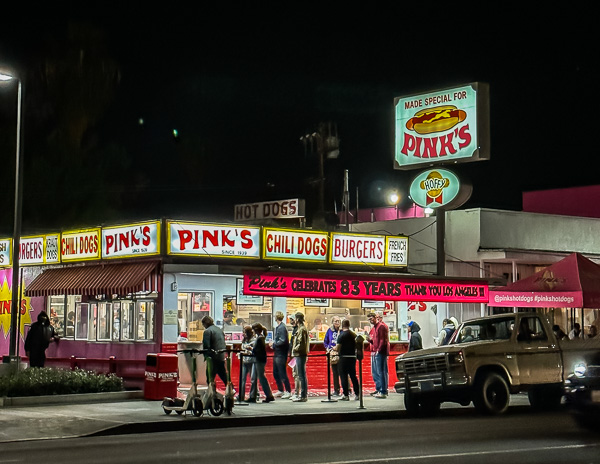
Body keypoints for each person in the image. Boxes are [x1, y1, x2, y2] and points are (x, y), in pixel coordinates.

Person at [336, 319, 361, 401]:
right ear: (349, 325)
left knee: (343, 376)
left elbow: (337, 348)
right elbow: (358, 345)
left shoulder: (341, 335)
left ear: (342, 326)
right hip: (352, 357)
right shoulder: (354, 335)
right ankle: (357, 394)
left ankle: (346, 395)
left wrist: (333, 348)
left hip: (343, 357)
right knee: (353, 376)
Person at [367, 312, 390, 399]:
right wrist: (370, 341)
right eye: (369, 319)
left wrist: (378, 350)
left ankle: (383, 391)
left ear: (376, 318)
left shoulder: (381, 327)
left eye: (371, 318)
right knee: (378, 372)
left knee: (381, 372)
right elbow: (377, 341)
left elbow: (383, 340)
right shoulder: (375, 327)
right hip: (377, 351)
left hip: (380, 352)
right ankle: (381, 390)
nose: (370, 321)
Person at [269, 311, 292, 399]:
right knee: (276, 372)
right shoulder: (278, 327)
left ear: (277, 317)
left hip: (281, 353)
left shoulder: (282, 328)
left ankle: (288, 391)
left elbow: (283, 340)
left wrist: (274, 344)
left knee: (282, 372)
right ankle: (281, 390)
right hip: (277, 352)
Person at [201, 315, 228, 388]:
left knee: (210, 377)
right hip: (221, 356)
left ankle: (212, 393)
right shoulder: (219, 330)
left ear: (205, 323)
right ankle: (230, 389)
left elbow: (206, 346)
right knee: (223, 376)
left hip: (212, 357)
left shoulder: (207, 331)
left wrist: (206, 356)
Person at [251, 323, 275, 403]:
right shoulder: (261, 338)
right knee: (259, 377)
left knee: (261, 377)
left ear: (255, 330)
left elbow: (258, 350)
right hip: (261, 359)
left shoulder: (260, 338)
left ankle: (269, 395)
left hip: (259, 359)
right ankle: (267, 395)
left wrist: (251, 349)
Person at [291, 311, 309, 402]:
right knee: (301, 375)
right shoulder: (301, 328)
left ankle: (303, 395)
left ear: (297, 319)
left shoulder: (302, 329)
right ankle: (303, 395)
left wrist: (295, 350)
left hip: (300, 354)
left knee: (301, 375)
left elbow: (301, 343)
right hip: (300, 354)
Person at [323, 316, 342, 397]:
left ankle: (347, 389)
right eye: (336, 321)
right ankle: (336, 390)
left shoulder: (342, 331)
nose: (337, 323)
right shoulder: (330, 330)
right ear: (333, 322)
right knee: (335, 373)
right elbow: (325, 341)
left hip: (341, 354)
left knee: (343, 372)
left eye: (339, 321)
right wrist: (328, 348)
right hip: (332, 354)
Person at [238, 325, 257, 402]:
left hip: (252, 360)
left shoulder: (254, 340)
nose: (243, 334)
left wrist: (250, 349)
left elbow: (255, 350)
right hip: (244, 360)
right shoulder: (244, 340)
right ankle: (241, 395)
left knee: (253, 379)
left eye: (245, 332)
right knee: (242, 379)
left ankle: (253, 396)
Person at [288, 314, 301, 400]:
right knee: (295, 374)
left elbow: (299, 343)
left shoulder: (299, 330)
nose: (290, 321)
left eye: (292, 319)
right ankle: (297, 392)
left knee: (297, 374)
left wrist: (294, 351)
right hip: (294, 355)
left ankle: (297, 393)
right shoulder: (295, 330)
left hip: (297, 355)